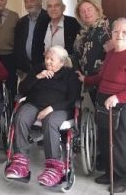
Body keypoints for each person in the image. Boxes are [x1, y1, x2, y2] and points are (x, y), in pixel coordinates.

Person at [5, 45, 81, 187]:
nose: (48, 62)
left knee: (50, 121)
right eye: (47, 58)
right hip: (34, 104)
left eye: (52, 59)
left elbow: (72, 99)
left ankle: (54, 168)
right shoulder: (38, 69)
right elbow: (22, 89)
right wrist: (37, 77)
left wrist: (51, 109)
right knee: (21, 116)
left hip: (59, 109)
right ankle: (20, 162)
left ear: (62, 62)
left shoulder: (69, 75)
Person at [77, 18, 126, 193]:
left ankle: (121, 178)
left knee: (118, 142)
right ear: (111, 33)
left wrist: (118, 97)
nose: (119, 35)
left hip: (120, 105)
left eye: (124, 32)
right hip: (103, 100)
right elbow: (101, 76)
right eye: (116, 31)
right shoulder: (111, 53)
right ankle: (109, 172)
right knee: (104, 138)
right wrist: (86, 80)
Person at [73, 0, 111, 103]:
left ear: (97, 9)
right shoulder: (82, 31)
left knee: (108, 114)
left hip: (104, 81)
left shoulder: (108, 28)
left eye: (89, 9)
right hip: (88, 80)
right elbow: (77, 54)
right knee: (99, 112)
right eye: (82, 11)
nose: (86, 13)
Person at [14, 0, 50, 76]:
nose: (29, 4)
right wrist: (19, 65)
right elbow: (18, 46)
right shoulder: (21, 22)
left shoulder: (48, 18)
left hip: (44, 68)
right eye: (26, 1)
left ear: (40, 2)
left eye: (32, 1)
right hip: (25, 69)